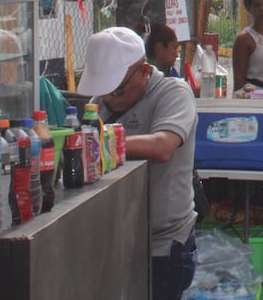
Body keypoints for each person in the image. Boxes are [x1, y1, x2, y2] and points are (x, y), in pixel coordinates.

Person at [78, 27, 198, 300]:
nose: (110, 98)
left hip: (164, 243)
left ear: (144, 71)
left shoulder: (173, 93)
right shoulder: (103, 102)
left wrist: (98, 143)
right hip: (117, 239)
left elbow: (163, 146)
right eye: (104, 90)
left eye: (118, 90)